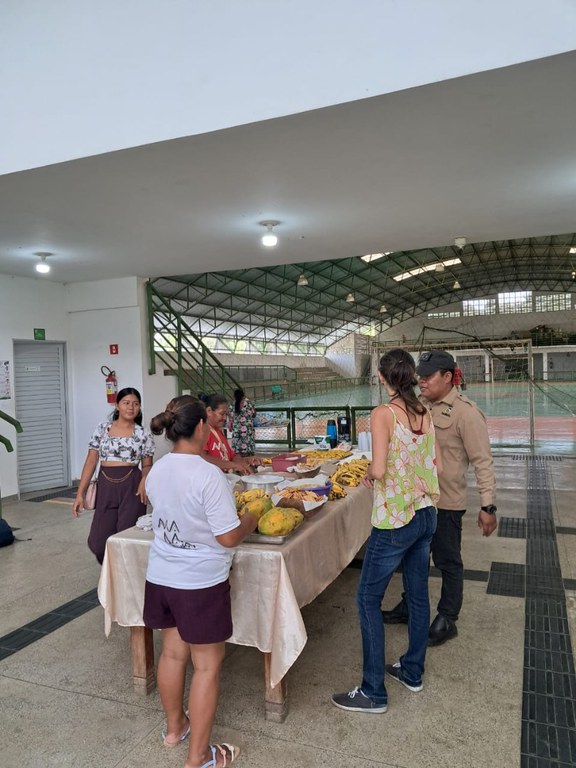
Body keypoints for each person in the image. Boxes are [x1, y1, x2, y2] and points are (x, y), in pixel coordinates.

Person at [143, 395, 258, 767]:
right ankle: (200, 757)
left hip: (161, 576)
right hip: (199, 582)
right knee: (206, 665)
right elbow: (227, 536)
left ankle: (175, 728)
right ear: (199, 427)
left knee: (172, 653)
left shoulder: (158, 469)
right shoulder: (208, 475)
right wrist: (250, 520)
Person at [332, 348, 439, 713]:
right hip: (425, 512)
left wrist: (367, 474)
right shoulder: (424, 413)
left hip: (395, 518)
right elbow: (432, 463)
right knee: (418, 596)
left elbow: (378, 468)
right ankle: (412, 671)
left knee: (367, 599)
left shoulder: (383, 413)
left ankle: (373, 691)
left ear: (381, 376)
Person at [382, 349, 497, 646]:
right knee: (413, 558)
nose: (422, 380)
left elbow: (483, 462)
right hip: (417, 501)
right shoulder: (419, 406)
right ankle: (409, 605)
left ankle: (448, 618)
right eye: (420, 375)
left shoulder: (466, 413)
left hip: (446, 504)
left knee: (448, 561)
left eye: (428, 376)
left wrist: (488, 506)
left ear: (447, 377)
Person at [72, 387, 155, 563]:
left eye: (136, 404)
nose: (131, 407)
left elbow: (147, 464)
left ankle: (121, 576)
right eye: (126, 403)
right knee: (98, 541)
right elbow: (91, 461)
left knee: (126, 538)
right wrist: (80, 493)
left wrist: (144, 479)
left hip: (132, 487)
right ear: (117, 406)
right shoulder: (102, 428)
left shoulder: (143, 433)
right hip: (106, 486)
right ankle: (111, 570)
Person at [201, 393, 260, 475]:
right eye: (222, 414)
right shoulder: (202, 431)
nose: (225, 418)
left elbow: (232, 456)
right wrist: (232, 465)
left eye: (226, 414)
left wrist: (246, 460)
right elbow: (202, 457)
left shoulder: (218, 432)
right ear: (209, 411)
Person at [229, 388, 256, 457]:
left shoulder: (232, 404)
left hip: (237, 430)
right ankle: (249, 459)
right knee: (248, 446)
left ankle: (239, 460)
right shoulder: (249, 403)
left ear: (234, 396)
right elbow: (254, 415)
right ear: (243, 395)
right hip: (248, 429)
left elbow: (231, 417)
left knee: (237, 448)